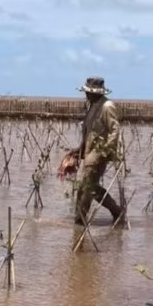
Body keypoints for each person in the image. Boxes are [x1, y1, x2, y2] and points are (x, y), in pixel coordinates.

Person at [58, 77, 126, 226]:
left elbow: (115, 131)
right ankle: (115, 212)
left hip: (99, 153)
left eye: (89, 92)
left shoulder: (107, 106)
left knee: (87, 186)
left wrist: (105, 152)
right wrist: (79, 150)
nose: (86, 95)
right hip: (89, 152)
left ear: (97, 93)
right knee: (91, 186)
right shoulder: (92, 105)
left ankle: (81, 220)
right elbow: (90, 132)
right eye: (86, 92)